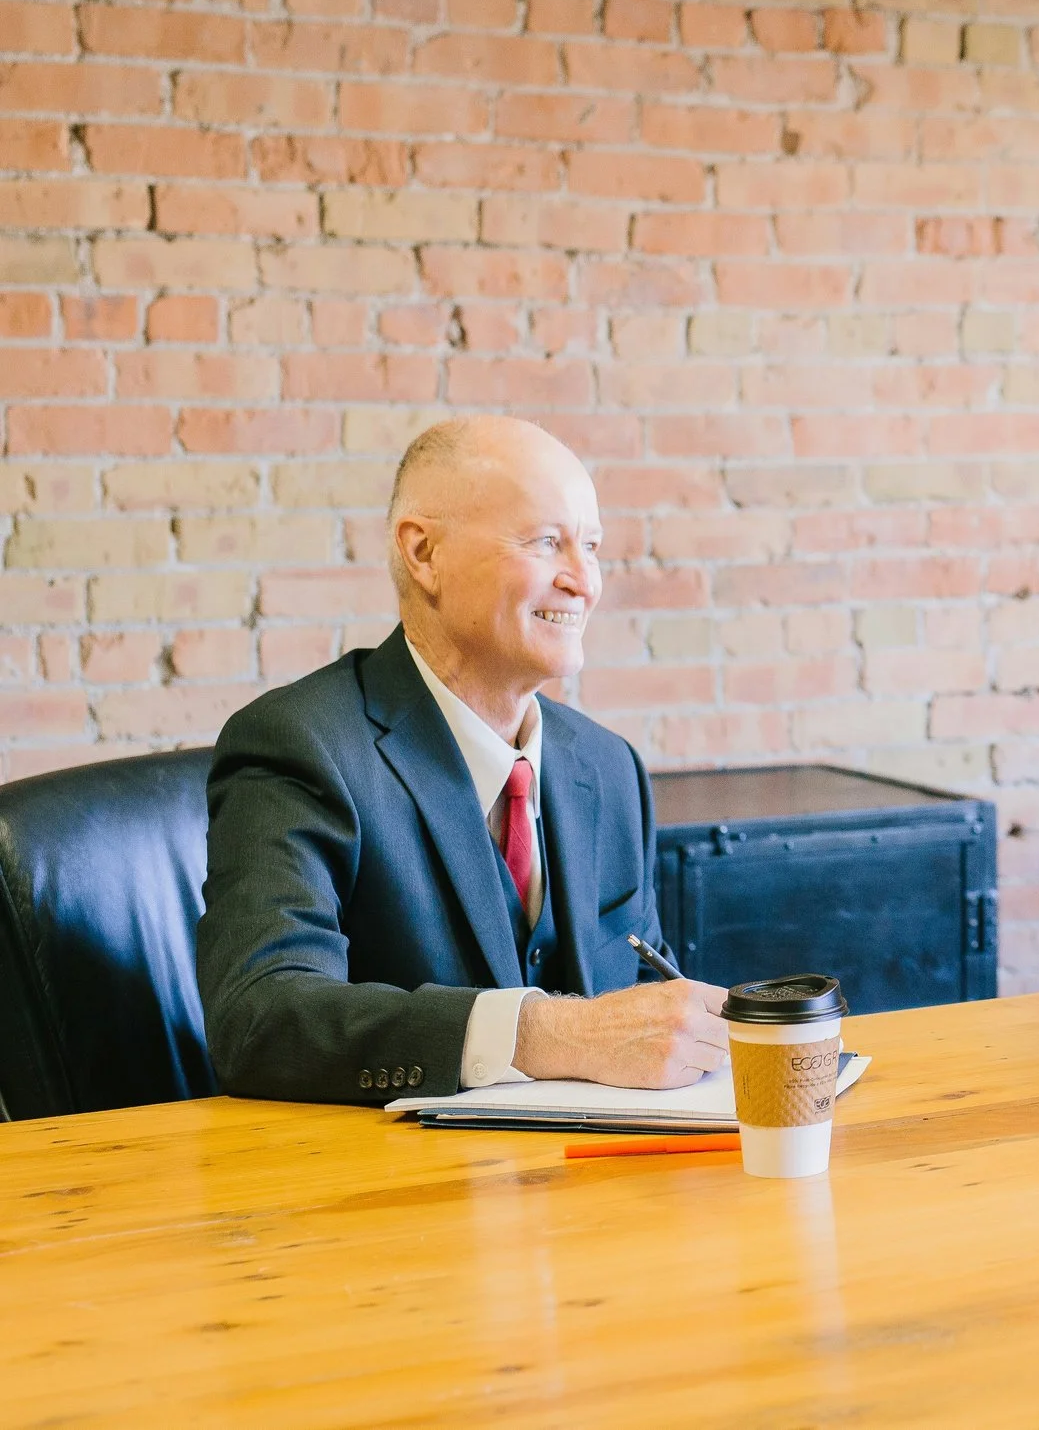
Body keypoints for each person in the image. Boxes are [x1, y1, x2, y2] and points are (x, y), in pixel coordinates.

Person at [196, 416, 728, 1104]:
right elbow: (259, 1020)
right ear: (424, 553)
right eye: (545, 542)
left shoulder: (609, 766)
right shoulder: (300, 744)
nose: (585, 581)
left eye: (591, 545)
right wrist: (542, 1033)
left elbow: (645, 1008)